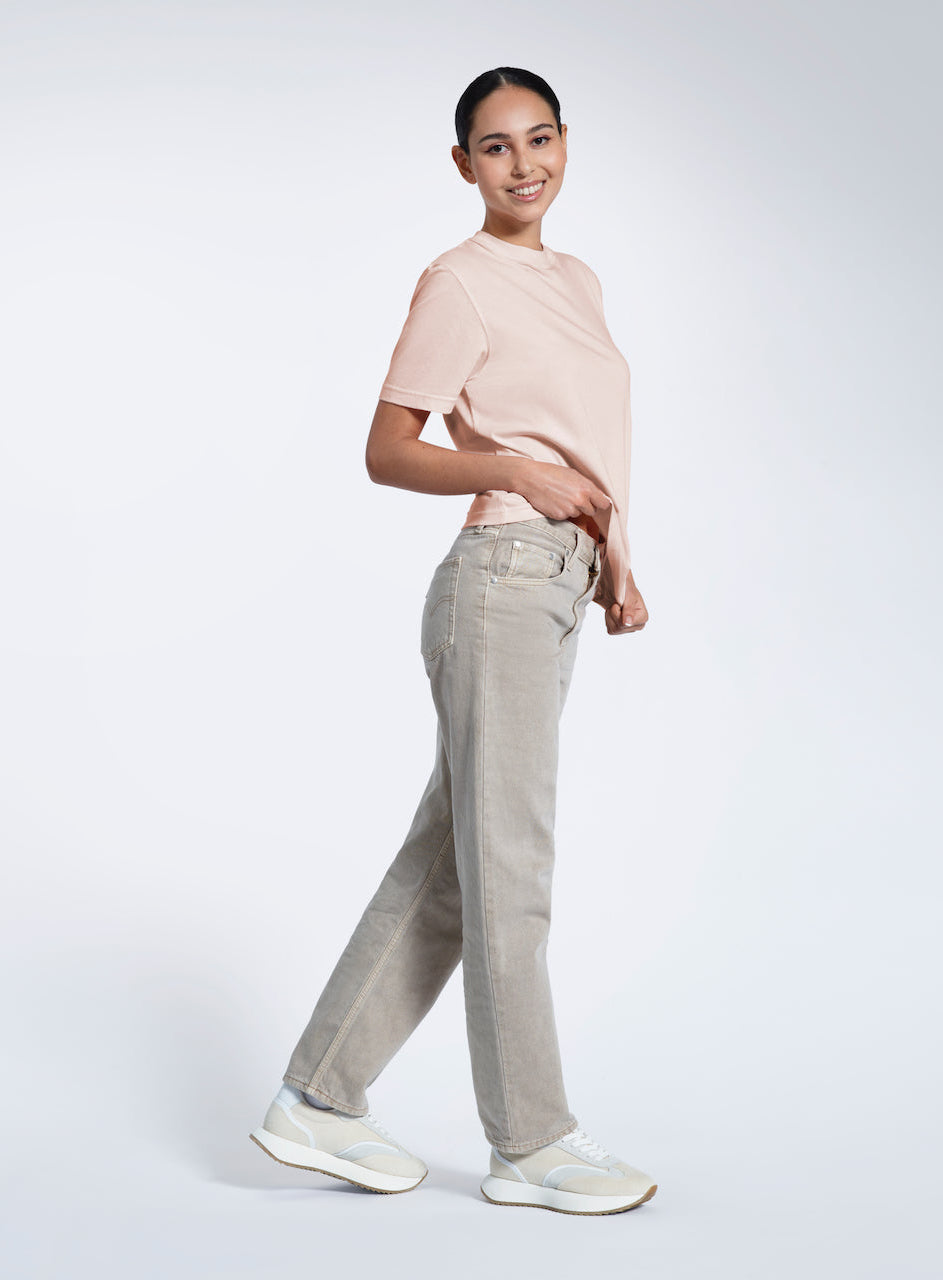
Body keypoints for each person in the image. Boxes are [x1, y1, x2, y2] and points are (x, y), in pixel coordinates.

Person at [248, 66, 656, 1216]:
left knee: (451, 863)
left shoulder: (575, 279)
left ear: (565, 142)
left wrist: (616, 564)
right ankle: (530, 1139)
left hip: (556, 581)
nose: (523, 164)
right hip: (500, 579)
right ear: (462, 163)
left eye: (539, 138)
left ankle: (318, 1097)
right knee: (508, 866)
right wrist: (513, 468)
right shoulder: (459, 281)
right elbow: (389, 449)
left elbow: (585, 441)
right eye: (495, 146)